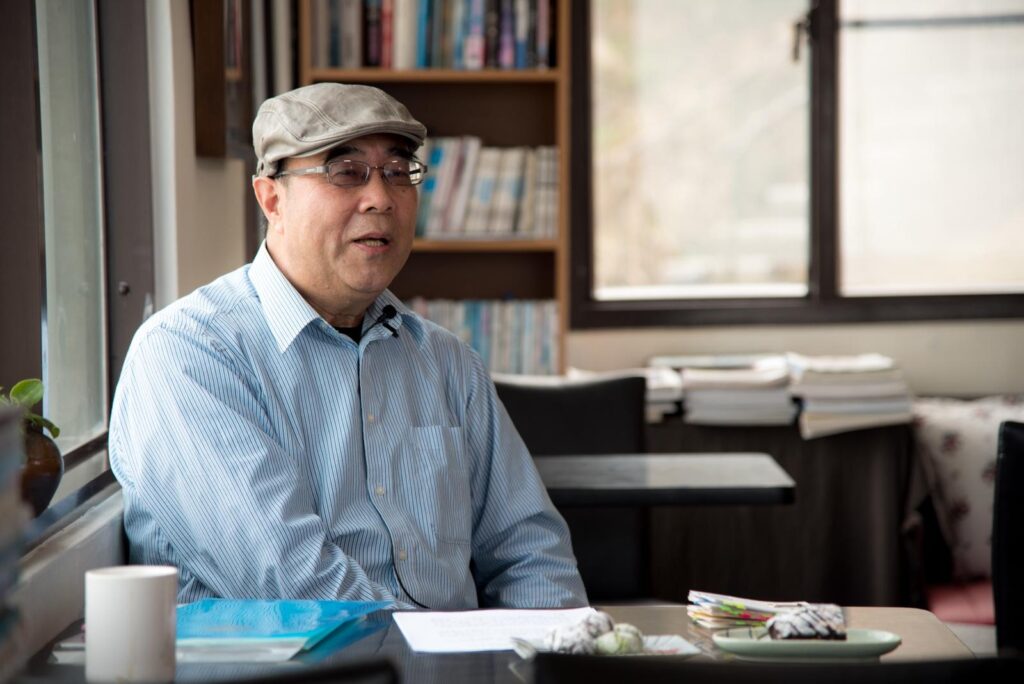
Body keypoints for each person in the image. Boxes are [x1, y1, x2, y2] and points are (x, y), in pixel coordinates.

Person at [109, 83, 587, 609]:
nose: (381, 198)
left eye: (398, 171)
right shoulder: (188, 355)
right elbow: (291, 582)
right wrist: (435, 645)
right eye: (346, 171)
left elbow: (532, 555)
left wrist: (554, 646)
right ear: (272, 199)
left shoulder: (447, 361)